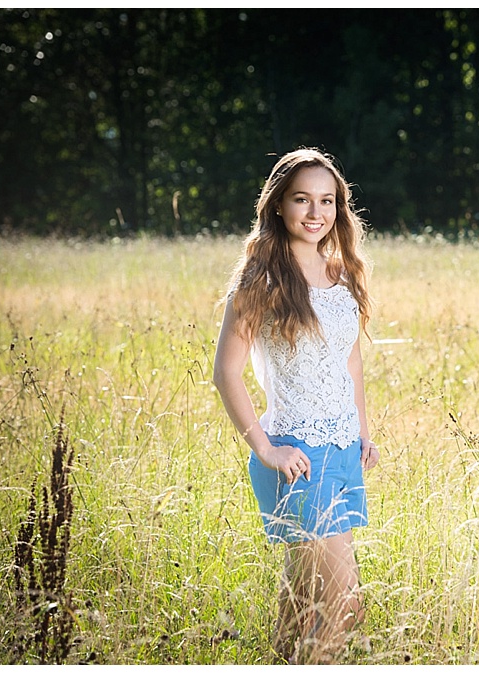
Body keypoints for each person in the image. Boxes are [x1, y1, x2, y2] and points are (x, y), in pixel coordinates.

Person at [213, 148, 379, 663]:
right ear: (279, 205)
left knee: (303, 608)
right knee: (342, 603)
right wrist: (266, 451)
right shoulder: (260, 280)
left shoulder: (343, 275)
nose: (315, 213)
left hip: (342, 450)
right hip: (295, 456)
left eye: (327, 201)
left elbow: (349, 365)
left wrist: (362, 433)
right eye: (302, 199)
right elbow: (225, 373)